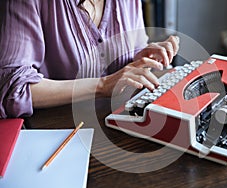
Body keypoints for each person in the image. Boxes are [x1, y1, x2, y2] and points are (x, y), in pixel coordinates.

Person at [0, 0, 179, 118]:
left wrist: (142, 58)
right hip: (62, 132)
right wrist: (102, 86)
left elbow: (136, 47)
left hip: (119, 125)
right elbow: (12, 88)